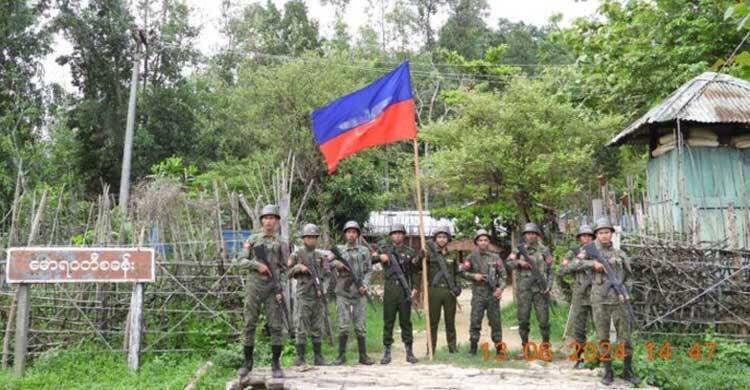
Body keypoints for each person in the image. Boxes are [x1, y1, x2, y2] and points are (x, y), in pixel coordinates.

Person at [583, 219, 640, 386]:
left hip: (619, 301)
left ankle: (627, 370)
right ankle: (608, 371)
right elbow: (574, 265)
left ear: (612, 234)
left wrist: (625, 291)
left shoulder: (620, 254)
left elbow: (629, 277)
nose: (604, 235)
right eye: (601, 233)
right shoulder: (589, 252)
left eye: (607, 232)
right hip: (599, 301)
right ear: (596, 235)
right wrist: (592, 264)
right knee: (603, 337)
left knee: (625, 337)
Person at [234, 204, 289, 379]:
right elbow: (240, 261)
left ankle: (275, 363)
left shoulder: (282, 243)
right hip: (254, 287)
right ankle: (247, 363)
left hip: (273, 289)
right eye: (265, 218)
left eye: (272, 218)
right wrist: (257, 265)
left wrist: (281, 288)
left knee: (276, 326)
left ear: (277, 221)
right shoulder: (252, 240)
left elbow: (286, 268)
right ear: (261, 221)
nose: (268, 221)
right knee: (250, 323)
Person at [331, 220, 376, 365]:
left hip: (359, 292)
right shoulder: (339, 250)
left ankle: (363, 356)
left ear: (357, 235)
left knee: (360, 325)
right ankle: (341, 356)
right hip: (343, 291)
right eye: (348, 232)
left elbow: (369, 270)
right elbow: (324, 263)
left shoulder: (364, 251)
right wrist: (335, 263)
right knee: (343, 324)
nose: (351, 235)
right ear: (345, 234)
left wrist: (365, 285)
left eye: (354, 232)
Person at [375, 223, 418, 364]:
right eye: (395, 233)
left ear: (404, 236)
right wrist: (380, 257)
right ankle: (387, 352)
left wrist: (415, 288)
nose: (398, 235)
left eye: (400, 233)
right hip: (390, 289)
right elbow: (370, 259)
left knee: (406, 321)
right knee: (388, 321)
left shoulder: (410, 252)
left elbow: (415, 272)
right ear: (391, 236)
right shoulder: (385, 250)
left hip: (404, 289)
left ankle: (409, 352)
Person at [506, 222, 553, 352]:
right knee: (523, 320)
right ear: (524, 236)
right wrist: (520, 263)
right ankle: (525, 347)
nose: (531, 236)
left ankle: (546, 347)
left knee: (544, 321)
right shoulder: (518, 250)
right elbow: (508, 263)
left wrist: (549, 285)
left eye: (533, 233)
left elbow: (550, 270)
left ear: (537, 235)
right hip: (524, 290)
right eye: (528, 234)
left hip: (540, 290)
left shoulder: (544, 250)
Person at [459, 229, 506, 356]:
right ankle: (473, 348)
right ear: (476, 242)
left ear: (489, 242)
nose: (483, 242)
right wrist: (474, 276)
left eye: (485, 240)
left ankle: (499, 349)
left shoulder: (495, 257)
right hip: (478, 295)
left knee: (495, 322)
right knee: (475, 321)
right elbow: (462, 272)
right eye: (480, 240)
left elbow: (503, 275)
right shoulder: (471, 257)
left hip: (492, 295)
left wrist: (500, 289)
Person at [288, 223, 329, 366]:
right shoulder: (297, 254)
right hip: (303, 295)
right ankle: (300, 358)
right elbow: (287, 271)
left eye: (313, 237)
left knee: (317, 326)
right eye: (308, 237)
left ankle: (318, 357)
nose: (311, 240)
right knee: (301, 327)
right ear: (303, 239)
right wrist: (299, 267)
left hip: (317, 295)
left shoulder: (321, 256)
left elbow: (327, 274)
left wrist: (324, 288)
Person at [419, 225, 460, 354]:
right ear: (435, 239)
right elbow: (417, 267)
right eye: (439, 237)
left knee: (450, 322)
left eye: (444, 237)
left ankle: (453, 349)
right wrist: (420, 257)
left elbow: (456, 273)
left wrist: (457, 286)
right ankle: (431, 350)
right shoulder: (428, 253)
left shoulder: (453, 254)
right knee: (432, 322)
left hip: (449, 291)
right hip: (434, 291)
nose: (442, 239)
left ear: (448, 239)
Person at [559, 224, 595, 368]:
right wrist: (581, 262)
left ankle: (599, 358)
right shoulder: (573, 252)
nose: (586, 238)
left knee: (599, 327)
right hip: (580, 295)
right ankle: (580, 358)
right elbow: (563, 269)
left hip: (597, 294)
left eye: (589, 236)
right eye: (583, 236)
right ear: (579, 238)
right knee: (579, 329)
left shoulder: (598, 251)